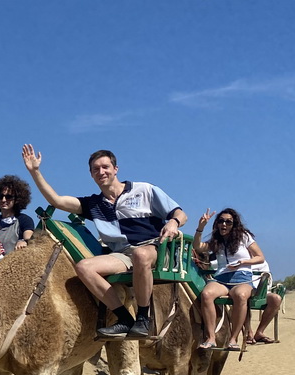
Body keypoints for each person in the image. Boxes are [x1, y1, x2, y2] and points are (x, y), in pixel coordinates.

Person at [22, 145, 187, 338]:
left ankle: (143, 319)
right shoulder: (94, 204)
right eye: (96, 169)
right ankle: (124, 319)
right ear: (91, 174)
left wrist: (174, 223)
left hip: (154, 247)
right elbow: (57, 201)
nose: (101, 172)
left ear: (115, 169)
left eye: (105, 167)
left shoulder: (144, 190)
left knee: (140, 254)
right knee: (84, 267)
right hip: (123, 254)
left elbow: (180, 213)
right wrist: (35, 172)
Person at [193, 208, 266, 351]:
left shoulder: (244, 237)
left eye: (228, 222)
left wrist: (243, 262)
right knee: (206, 294)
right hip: (221, 279)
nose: (224, 224)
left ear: (234, 224)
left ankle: (233, 339)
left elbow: (260, 257)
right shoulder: (216, 241)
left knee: (240, 295)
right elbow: (197, 247)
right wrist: (200, 227)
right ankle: (211, 337)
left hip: (242, 278)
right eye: (221, 221)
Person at [0, 174, 35, 256]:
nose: (3, 200)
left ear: (17, 199)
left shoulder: (24, 220)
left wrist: (23, 241)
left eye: (8, 197)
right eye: (0, 196)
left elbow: (29, 240)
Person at [244, 260, 281, 344]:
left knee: (276, 299)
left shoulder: (262, 262)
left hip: (260, 291)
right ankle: (249, 333)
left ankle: (259, 332)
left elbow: (266, 279)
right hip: (243, 288)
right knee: (242, 299)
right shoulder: (235, 258)